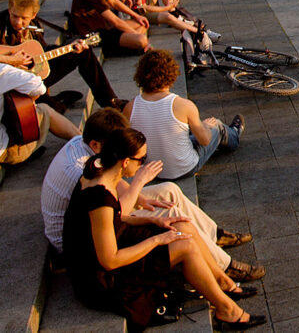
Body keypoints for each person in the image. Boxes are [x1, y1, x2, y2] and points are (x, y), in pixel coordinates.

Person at [61, 127, 264, 329]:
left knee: (181, 225)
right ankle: (227, 310)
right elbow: (110, 261)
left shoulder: (98, 168)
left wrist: (153, 221)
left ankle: (222, 281)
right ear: (125, 162)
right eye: (141, 159)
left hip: (112, 242)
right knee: (185, 245)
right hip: (101, 278)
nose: (143, 164)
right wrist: (156, 239)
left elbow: (114, 218)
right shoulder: (100, 195)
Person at [40, 107, 263, 281]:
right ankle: (224, 265)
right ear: (97, 145)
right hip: (79, 240)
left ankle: (213, 235)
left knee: (169, 190)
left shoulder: (88, 150)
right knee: (171, 214)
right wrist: (138, 184)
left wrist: (141, 196)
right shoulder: (80, 172)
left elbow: (117, 191)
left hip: (97, 218)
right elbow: (114, 212)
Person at [0, 0, 128, 112]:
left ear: (33, 15)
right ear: (9, 10)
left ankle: (110, 101)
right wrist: (11, 60)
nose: (18, 22)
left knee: (82, 52)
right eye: (14, 16)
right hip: (9, 84)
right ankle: (56, 101)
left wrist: (69, 47)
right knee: (53, 109)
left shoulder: (35, 26)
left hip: (34, 75)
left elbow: (41, 51)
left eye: (23, 18)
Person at [125, 50, 243, 180]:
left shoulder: (130, 107)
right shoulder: (183, 105)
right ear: (171, 74)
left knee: (185, 132)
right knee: (217, 126)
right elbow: (205, 141)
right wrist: (205, 126)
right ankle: (234, 134)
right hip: (184, 168)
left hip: (151, 172)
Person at [0, 63, 80, 170]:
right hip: (6, 151)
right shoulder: (2, 71)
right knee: (44, 109)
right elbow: (38, 87)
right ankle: (82, 141)